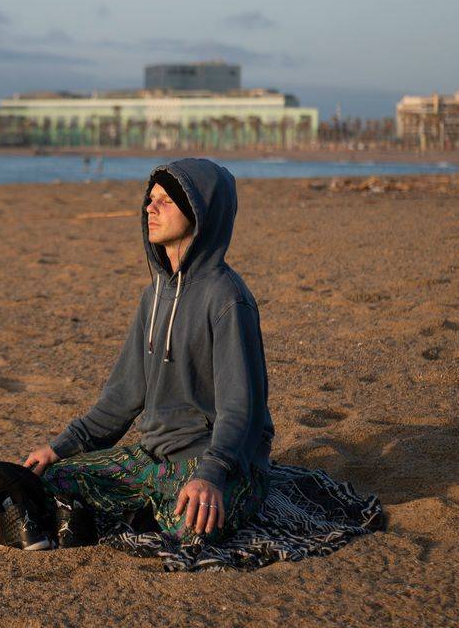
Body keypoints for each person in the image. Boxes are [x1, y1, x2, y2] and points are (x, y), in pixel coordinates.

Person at [22, 158, 274, 546]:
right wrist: (60, 448)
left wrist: (212, 473)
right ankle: (141, 506)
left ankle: (144, 510)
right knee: (45, 481)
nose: (149, 209)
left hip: (214, 462)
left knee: (192, 529)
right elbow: (122, 398)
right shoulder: (153, 294)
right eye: (149, 199)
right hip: (151, 458)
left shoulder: (227, 298)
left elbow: (243, 409)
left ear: (200, 211)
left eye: (165, 201)